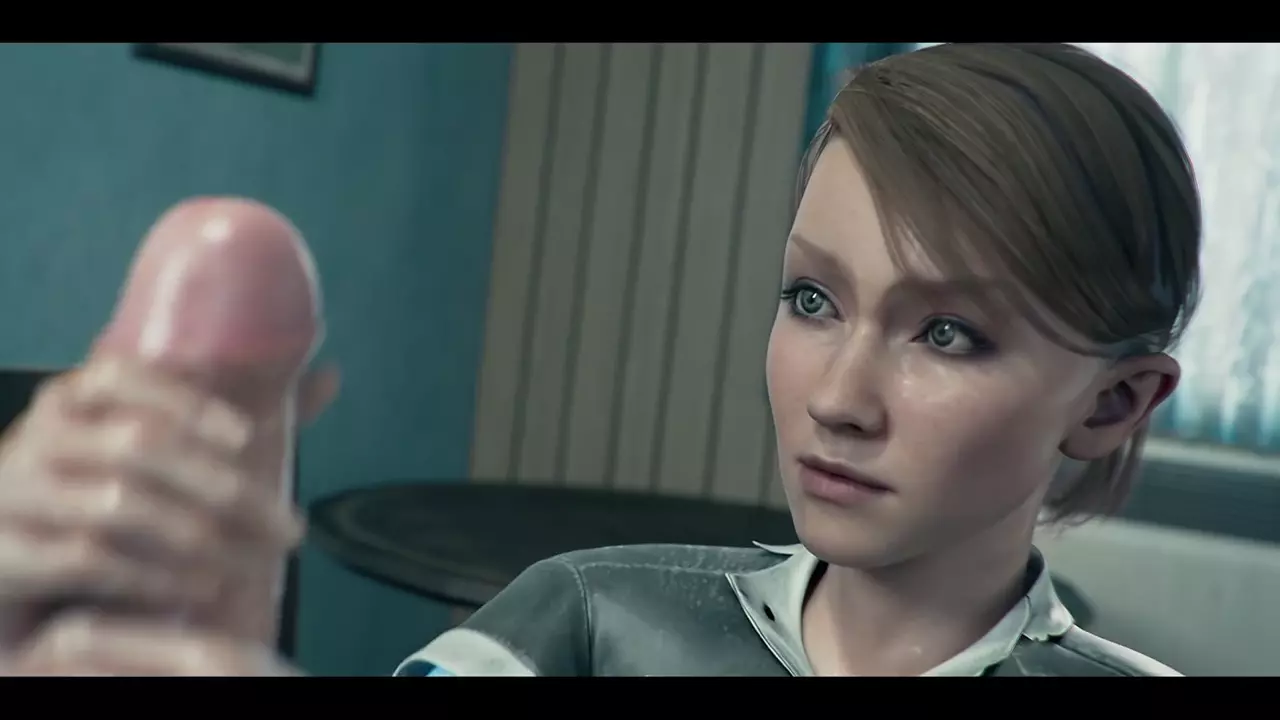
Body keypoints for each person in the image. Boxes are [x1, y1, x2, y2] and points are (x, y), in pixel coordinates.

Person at [0, 42, 1200, 676]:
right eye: (810, 299)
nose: (837, 399)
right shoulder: (576, 622)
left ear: (1112, 401)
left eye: (946, 334)